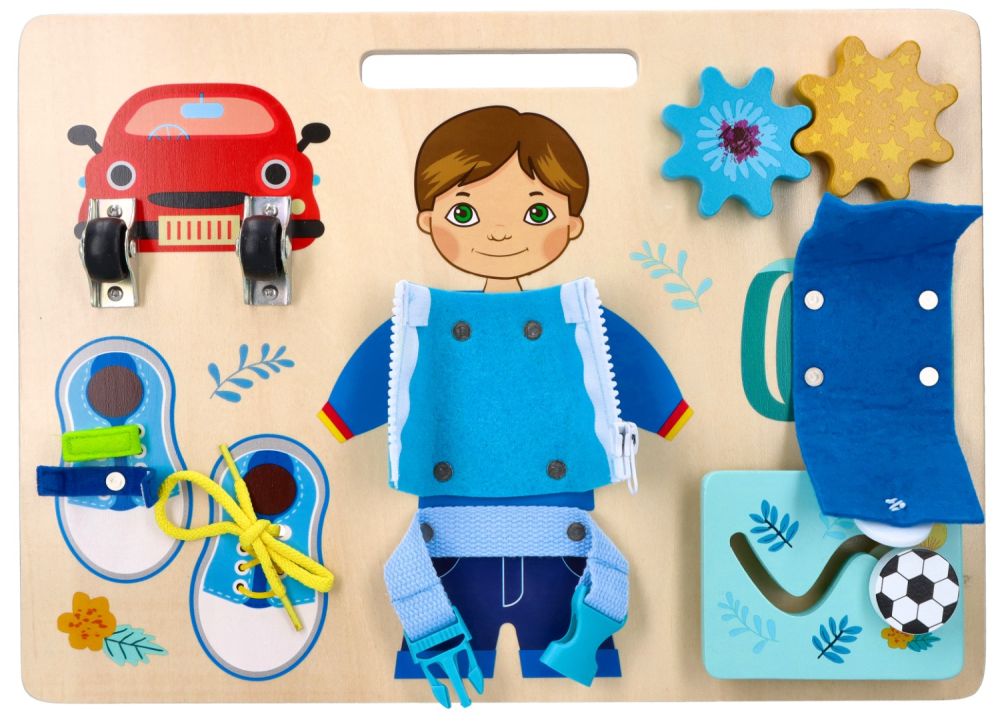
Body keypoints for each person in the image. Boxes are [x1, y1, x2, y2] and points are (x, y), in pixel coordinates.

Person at [317, 106, 691, 708]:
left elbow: (625, 360)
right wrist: (343, 414)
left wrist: (666, 413)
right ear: (427, 220)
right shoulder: (423, 318)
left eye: (536, 213)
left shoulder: (577, 313)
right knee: (461, 662)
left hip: (562, 543)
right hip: (450, 546)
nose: (498, 234)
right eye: (464, 213)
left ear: (572, 224)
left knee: (566, 684)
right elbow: (381, 369)